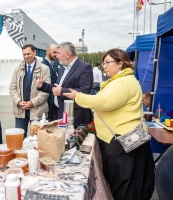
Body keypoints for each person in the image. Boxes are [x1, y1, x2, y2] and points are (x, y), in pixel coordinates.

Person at [63, 48, 155, 200]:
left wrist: (77, 96)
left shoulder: (123, 82)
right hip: (123, 141)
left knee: (126, 187)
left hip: (124, 143)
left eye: (108, 62)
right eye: (104, 62)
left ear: (120, 64)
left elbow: (103, 102)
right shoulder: (119, 81)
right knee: (124, 185)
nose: (104, 66)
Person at [36, 42, 93, 127]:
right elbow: (56, 88)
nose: (57, 56)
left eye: (58, 53)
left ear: (67, 54)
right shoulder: (63, 69)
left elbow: (84, 91)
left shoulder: (84, 67)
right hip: (59, 112)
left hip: (74, 116)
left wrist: (62, 91)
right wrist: (43, 85)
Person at [10, 44, 50, 138]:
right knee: (19, 138)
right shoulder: (17, 69)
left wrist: (32, 103)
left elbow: (45, 91)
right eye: (24, 54)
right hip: (21, 110)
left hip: (37, 110)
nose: (26, 56)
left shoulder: (44, 69)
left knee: (37, 139)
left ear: (34, 52)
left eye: (28, 54)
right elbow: (12, 88)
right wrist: (18, 102)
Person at [42, 44, 58, 120]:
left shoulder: (51, 64)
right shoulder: (44, 65)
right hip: (48, 101)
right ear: (48, 51)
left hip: (52, 100)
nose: (56, 55)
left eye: (57, 53)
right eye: (54, 52)